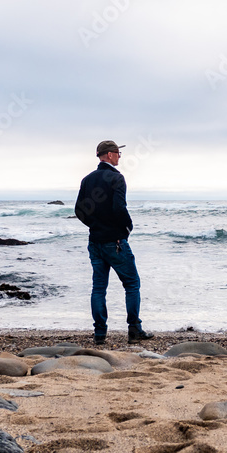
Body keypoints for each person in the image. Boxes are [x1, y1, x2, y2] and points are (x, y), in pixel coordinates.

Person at [74, 140, 153, 346]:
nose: (120, 156)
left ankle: (100, 334)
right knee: (132, 284)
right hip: (115, 241)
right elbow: (119, 208)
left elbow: (79, 211)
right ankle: (134, 329)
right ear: (108, 155)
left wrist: (95, 225)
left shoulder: (87, 179)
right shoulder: (117, 178)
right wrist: (127, 229)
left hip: (95, 241)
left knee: (99, 287)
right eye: (118, 153)